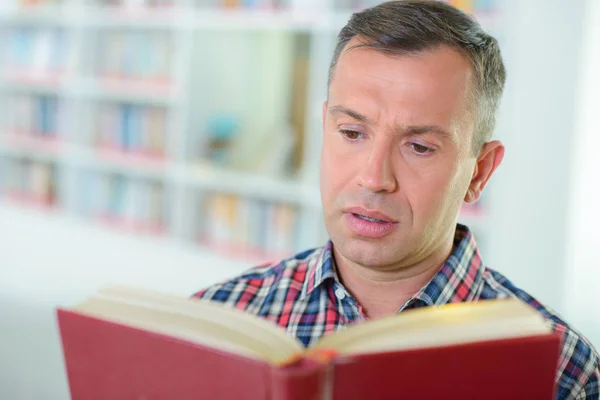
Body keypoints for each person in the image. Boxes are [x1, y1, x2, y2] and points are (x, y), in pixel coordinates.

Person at [194, 1, 600, 397]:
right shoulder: (216, 321)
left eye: (419, 147)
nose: (374, 178)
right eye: (352, 133)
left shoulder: (562, 371)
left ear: (479, 172)